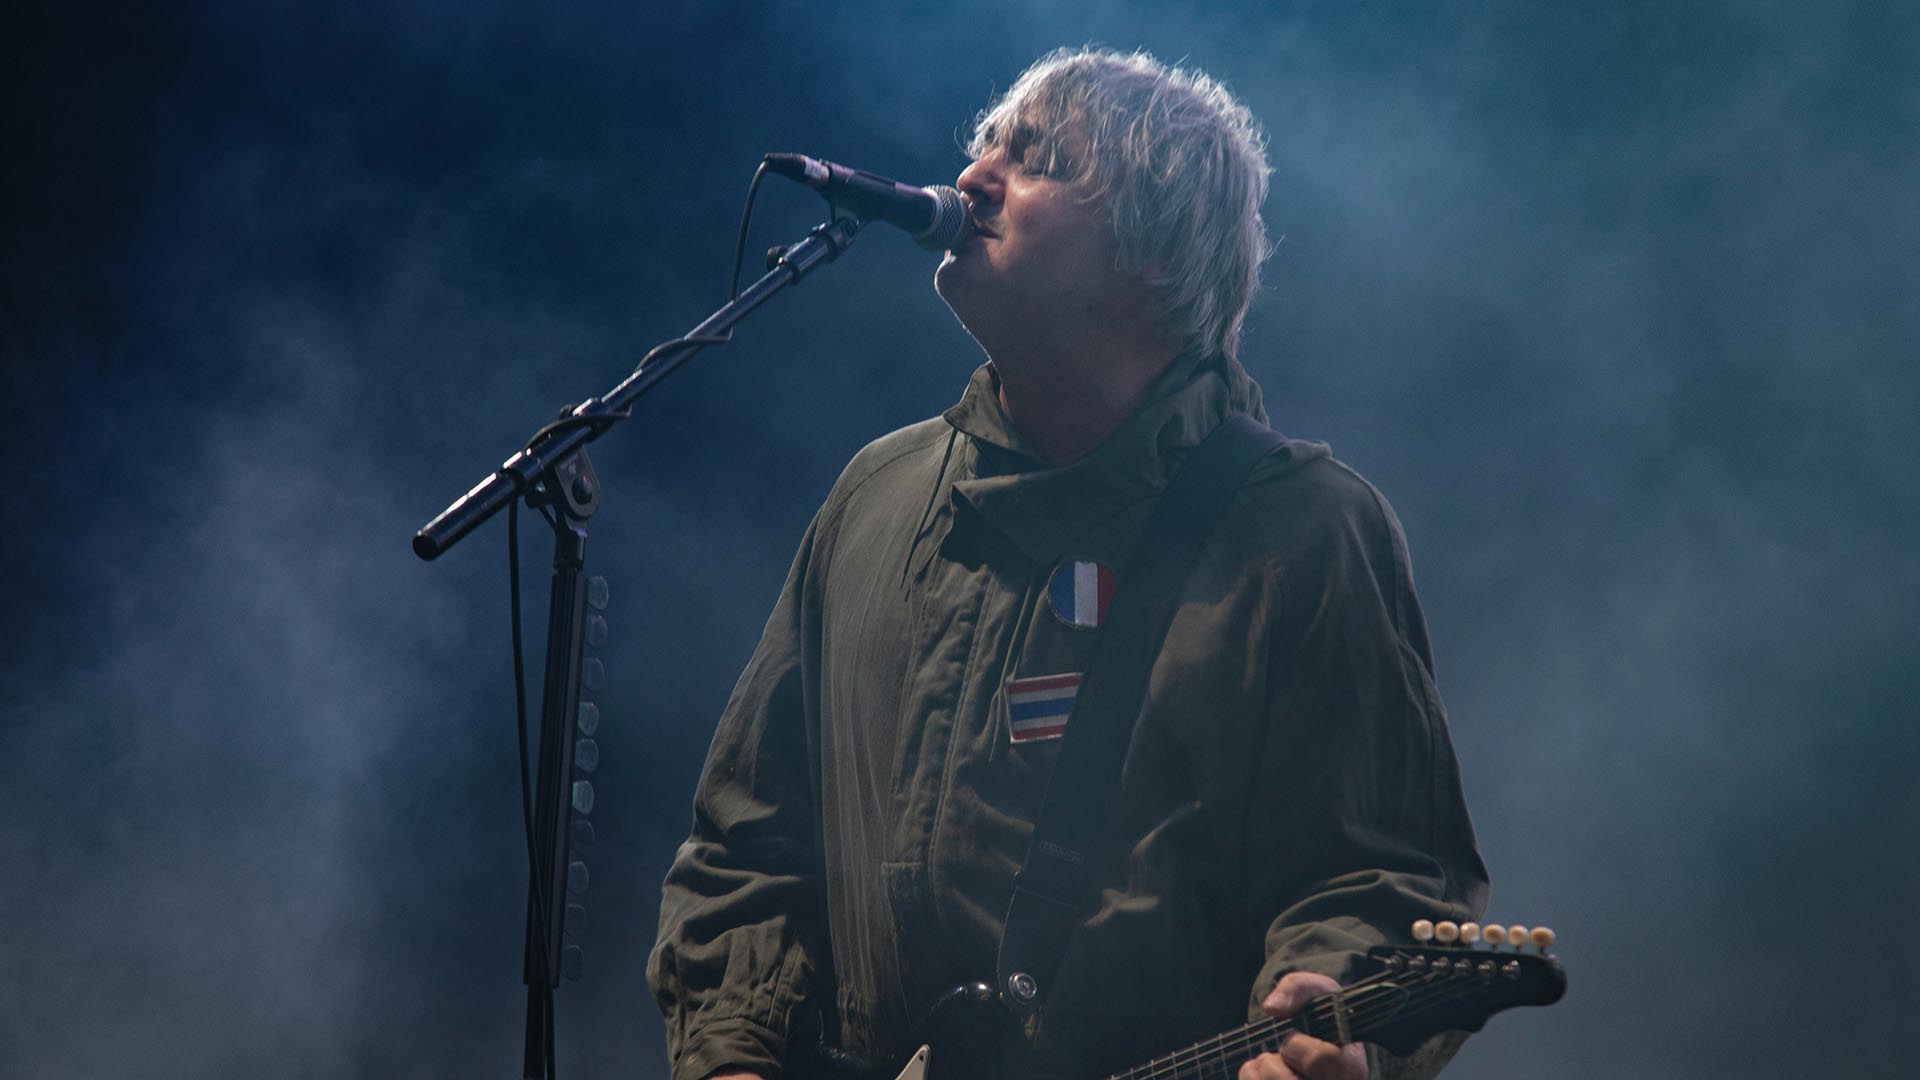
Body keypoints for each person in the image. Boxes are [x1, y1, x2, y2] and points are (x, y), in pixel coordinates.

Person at [647, 48, 1489, 1080]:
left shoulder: (1306, 530)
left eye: (1036, 158)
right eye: (981, 147)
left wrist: (1326, 1015)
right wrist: (733, 1063)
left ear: (1155, 245)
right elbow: (746, 845)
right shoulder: (877, 496)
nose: (970, 180)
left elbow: (1384, 873)